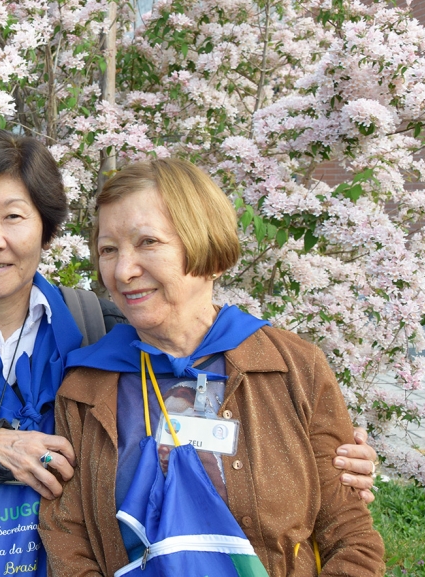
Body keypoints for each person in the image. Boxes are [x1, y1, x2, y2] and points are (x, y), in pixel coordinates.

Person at [0, 129, 378, 577]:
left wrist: (325, 461)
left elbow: (345, 529)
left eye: (13, 215)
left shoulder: (99, 331)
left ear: (45, 227)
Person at [39, 159, 385, 576]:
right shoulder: (85, 386)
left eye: (148, 242)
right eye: (108, 250)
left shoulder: (293, 368)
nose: (123, 271)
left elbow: (350, 537)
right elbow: (67, 537)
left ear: (209, 250)